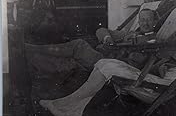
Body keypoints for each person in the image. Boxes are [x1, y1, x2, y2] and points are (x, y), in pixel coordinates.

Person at [39, 22, 176, 116]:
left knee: (108, 68)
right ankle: (73, 109)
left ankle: (63, 105)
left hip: (164, 90)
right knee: (103, 62)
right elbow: (163, 69)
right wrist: (163, 65)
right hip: (156, 80)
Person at [25, 8, 157, 72]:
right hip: (103, 57)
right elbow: (101, 31)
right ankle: (30, 55)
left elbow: (138, 60)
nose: (145, 23)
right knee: (69, 61)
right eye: (142, 19)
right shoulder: (130, 33)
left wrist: (124, 49)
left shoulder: (154, 40)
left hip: (111, 63)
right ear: (138, 21)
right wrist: (108, 39)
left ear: (155, 22)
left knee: (79, 45)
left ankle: (32, 49)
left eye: (149, 20)